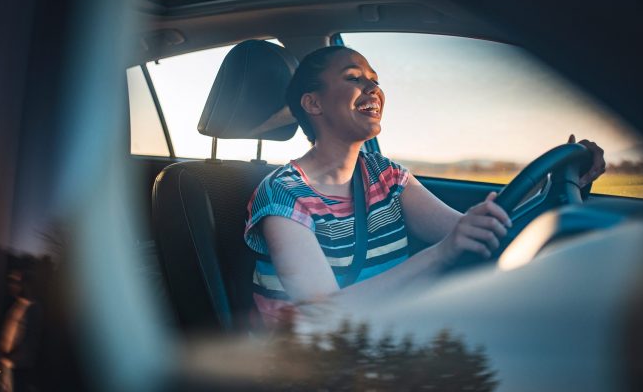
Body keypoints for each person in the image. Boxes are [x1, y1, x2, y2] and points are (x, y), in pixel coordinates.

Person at [244, 46, 605, 327]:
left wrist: (558, 184)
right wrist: (441, 252)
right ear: (313, 103)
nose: (373, 88)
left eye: (375, 80)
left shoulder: (386, 176)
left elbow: (471, 232)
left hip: (390, 339)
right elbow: (321, 317)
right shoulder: (283, 194)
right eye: (354, 78)